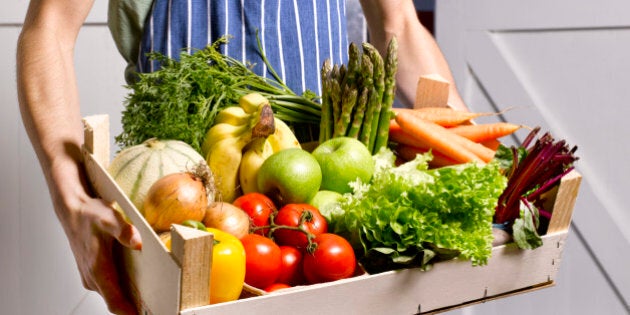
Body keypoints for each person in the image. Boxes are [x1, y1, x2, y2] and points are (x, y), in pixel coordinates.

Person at [16, 0, 466, 314]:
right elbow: (50, 28)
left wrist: (467, 141)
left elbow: (399, 23)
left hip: (319, 224)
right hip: (182, 225)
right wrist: (68, 194)